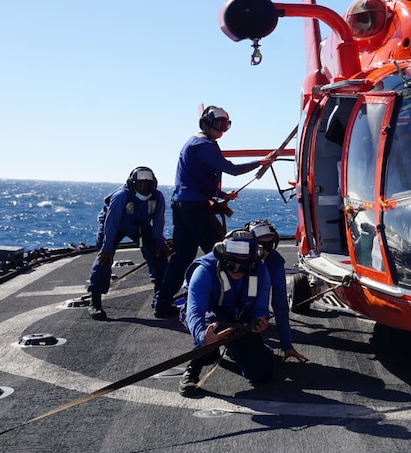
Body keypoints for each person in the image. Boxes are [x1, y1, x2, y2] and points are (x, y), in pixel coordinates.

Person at [154, 105, 264, 318]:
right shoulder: (204, 145)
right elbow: (231, 168)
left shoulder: (196, 144)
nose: (222, 130)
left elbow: (194, 181)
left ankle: (163, 302)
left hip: (183, 205)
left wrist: (222, 195)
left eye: (226, 125)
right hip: (195, 208)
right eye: (219, 125)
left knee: (182, 256)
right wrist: (261, 161)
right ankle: (232, 307)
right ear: (206, 124)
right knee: (223, 254)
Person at [179, 228, 272, 396]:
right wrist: (202, 337)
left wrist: (259, 320)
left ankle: (237, 349)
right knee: (212, 329)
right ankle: (194, 367)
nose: (237, 271)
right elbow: (194, 311)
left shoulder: (261, 270)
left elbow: (261, 305)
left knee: (261, 374)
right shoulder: (204, 271)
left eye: (243, 267)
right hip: (213, 318)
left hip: (240, 320)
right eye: (232, 265)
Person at [86, 167, 168, 321]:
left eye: (148, 186)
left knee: (159, 254)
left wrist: (159, 242)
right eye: (141, 186)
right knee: (104, 258)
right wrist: (108, 247)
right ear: (133, 185)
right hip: (114, 226)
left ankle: (160, 298)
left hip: (141, 226)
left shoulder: (158, 197)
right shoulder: (121, 197)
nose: (145, 190)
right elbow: (111, 223)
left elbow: (159, 222)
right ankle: (95, 301)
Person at [245, 219, 309, 363]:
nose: (266, 251)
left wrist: (287, 345)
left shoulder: (275, 262)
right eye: (261, 245)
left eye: (270, 245)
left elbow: (280, 306)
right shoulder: (237, 258)